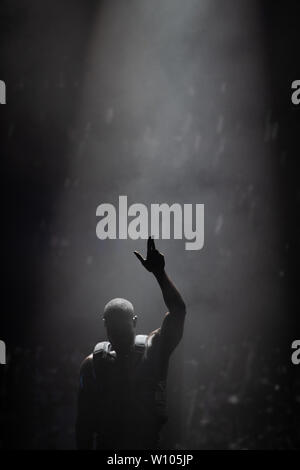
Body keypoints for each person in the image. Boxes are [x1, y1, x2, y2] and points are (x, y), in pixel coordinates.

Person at [76, 237, 186, 450]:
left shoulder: (153, 349)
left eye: (122, 330)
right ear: (105, 325)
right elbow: (84, 426)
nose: (117, 336)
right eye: (113, 330)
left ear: (135, 322)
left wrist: (160, 274)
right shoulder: (92, 364)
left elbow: (178, 312)